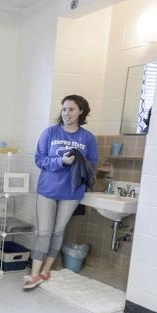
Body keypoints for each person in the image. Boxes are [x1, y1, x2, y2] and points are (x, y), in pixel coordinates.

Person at [24, 95, 98, 291]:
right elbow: (39, 160)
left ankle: (45, 270)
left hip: (72, 192)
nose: (67, 113)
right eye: (64, 109)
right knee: (44, 232)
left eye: (72, 109)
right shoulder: (50, 133)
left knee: (57, 231)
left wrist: (80, 161)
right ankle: (33, 274)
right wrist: (60, 162)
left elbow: (93, 166)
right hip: (48, 189)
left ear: (81, 111)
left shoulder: (88, 138)